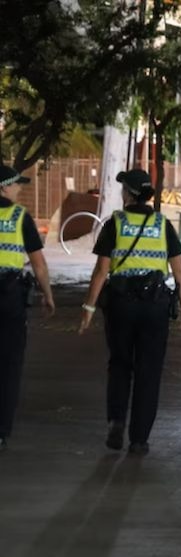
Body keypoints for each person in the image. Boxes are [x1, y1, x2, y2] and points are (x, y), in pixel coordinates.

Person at [78, 168, 181, 455]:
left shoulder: (115, 223)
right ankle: (139, 439)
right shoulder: (163, 225)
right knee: (148, 371)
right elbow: (179, 272)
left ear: (128, 193)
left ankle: (116, 422)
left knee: (119, 364)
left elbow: (101, 271)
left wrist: (89, 308)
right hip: (155, 307)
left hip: (121, 305)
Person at [0, 165, 55, 451]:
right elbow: (38, 263)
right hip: (9, 298)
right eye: (14, 185)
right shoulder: (19, 217)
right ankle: (1, 431)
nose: (18, 189)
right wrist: (48, 295)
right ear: (3, 188)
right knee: (9, 365)